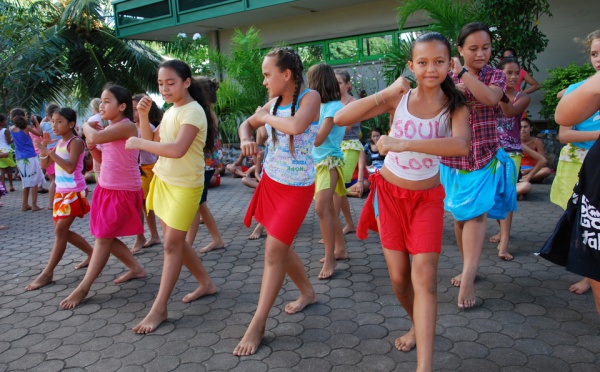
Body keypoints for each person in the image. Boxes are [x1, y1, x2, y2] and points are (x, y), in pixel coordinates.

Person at [335, 32, 470, 372]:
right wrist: (386, 92)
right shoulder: (399, 99)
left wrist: (405, 144)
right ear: (411, 66)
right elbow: (341, 119)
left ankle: (425, 366)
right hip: (391, 197)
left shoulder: (455, 105)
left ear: (450, 65)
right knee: (399, 278)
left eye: (439, 62)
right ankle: (416, 324)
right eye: (422, 62)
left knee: (423, 278)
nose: (431, 69)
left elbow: (460, 146)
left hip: (427, 200)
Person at [234, 47, 320, 356]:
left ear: (287, 75)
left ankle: (258, 322)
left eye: (268, 75)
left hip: (297, 189)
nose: (264, 82)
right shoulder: (273, 103)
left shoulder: (311, 98)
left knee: (274, 250)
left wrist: (265, 116)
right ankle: (307, 292)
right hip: (272, 181)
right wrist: (246, 136)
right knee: (279, 245)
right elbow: (248, 124)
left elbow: (296, 126)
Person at [125, 60, 217, 334]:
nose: (164, 89)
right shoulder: (169, 110)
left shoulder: (194, 112)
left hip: (185, 186)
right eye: (160, 84)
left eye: (170, 83)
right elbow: (152, 142)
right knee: (174, 242)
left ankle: (160, 308)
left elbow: (176, 149)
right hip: (164, 181)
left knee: (171, 245)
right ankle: (206, 283)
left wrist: (140, 142)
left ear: (186, 82)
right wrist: (143, 117)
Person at [444, 22, 517, 309]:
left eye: (485, 48)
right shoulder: (445, 75)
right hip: (453, 160)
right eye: (473, 49)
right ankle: (467, 266)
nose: (480, 54)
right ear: (460, 49)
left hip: (485, 156)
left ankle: (470, 276)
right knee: (460, 218)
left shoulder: (496, 74)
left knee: (476, 216)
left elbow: (490, 97)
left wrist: (461, 75)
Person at [59, 84, 146, 310]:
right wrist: (92, 145)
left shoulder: (127, 126)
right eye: (101, 101)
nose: (102, 105)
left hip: (122, 190)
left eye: (107, 101)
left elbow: (95, 135)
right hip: (107, 188)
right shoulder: (112, 127)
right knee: (105, 235)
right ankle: (135, 268)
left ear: (122, 106)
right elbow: (102, 156)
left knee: (103, 237)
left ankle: (84, 287)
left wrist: (87, 127)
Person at [550, 31, 600, 297]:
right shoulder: (584, 89)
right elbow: (564, 128)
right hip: (588, 166)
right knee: (585, 225)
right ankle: (588, 274)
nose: (598, 59)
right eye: (594, 53)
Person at [25, 107, 94, 291]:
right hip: (61, 193)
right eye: (52, 121)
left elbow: (71, 167)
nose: (54, 125)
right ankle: (92, 253)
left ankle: (48, 272)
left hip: (74, 192)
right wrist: (44, 151)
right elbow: (45, 164)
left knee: (60, 231)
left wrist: (49, 152)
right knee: (61, 231)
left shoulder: (75, 142)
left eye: (59, 121)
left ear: (71, 124)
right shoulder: (59, 143)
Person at [309, 62, 351, 279]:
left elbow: (317, 139)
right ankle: (340, 249)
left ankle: (331, 258)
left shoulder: (333, 107)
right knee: (329, 210)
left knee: (321, 208)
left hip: (329, 163)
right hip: (320, 164)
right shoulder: (320, 107)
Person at [550, 30, 600, 210]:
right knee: (577, 219)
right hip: (579, 164)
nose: (598, 59)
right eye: (594, 54)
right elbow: (564, 135)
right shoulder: (578, 91)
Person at [488, 57, 531, 261]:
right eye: (508, 73)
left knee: (507, 194)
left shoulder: (522, 97)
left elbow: (510, 111)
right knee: (495, 196)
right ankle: (502, 231)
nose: (513, 77)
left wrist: (499, 94)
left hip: (512, 152)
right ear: (499, 74)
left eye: (516, 73)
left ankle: (504, 243)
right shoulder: (489, 95)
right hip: (491, 151)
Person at [185, 76, 225, 254]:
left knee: (196, 204)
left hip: (204, 164)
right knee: (199, 204)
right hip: (206, 164)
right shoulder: (205, 111)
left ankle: (187, 245)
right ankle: (215, 239)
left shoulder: (202, 112)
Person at [130, 93, 162, 253]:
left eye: (136, 109)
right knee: (143, 205)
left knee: (145, 205)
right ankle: (152, 235)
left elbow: (146, 146)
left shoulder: (146, 127)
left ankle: (142, 236)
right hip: (139, 168)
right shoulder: (132, 127)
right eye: (133, 109)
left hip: (147, 168)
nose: (133, 112)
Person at [335, 69, 362, 234]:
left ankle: (332, 230)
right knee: (339, 188)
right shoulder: (332, 103)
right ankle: (350, 225)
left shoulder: (354, 103)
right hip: (336, 146)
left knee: (337, 188)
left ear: (348, 85)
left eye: (338, 83)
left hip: (350, 146)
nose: (335, 86)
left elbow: (346, 128)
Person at [10, 109, 44, 211]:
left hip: (20, 158)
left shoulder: (11, 129)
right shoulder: (26, 128)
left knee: (25, 181)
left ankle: (24, 204)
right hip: (30, 157)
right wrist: (36, 122)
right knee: (34, 180)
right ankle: (34, 205)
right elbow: (39, 133)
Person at [40, 103, 61, 209]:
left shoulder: (44, 125)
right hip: (57, 151)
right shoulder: (60, 125)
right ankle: (51, 203)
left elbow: (41, 123)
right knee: (55, 180)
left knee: (52, 179)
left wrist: (47, 116)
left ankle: (50, 203)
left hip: (48, 150)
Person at [519, 118, 551, 184]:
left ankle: (524, 178)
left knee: (546, 171)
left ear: (531, 128)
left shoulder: (537, 141)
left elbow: (543, 162)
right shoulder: (514, 141)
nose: (523, 129)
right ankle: (530, 179)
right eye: (520, 127)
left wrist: (528, 171)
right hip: (518, 169)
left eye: (525, 127)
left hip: (532, 170)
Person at [0, 114, 16, 192]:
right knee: (9, 169)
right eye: (5, 120)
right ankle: (11, 185)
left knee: (2, 170)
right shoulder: (5, 130)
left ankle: (3, 187)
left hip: (0, 151)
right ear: (1, 122)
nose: (6, 122)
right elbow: (8, 142)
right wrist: (14, 138)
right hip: (6, 151)